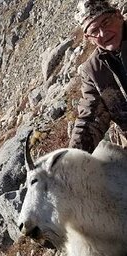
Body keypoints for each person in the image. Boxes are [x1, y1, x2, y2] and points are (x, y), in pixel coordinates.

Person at [69, 0, 127, 153]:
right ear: (89, 38)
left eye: (106, 22)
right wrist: (72, 158)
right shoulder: (93, 71)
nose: (103, 33)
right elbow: (91, 119)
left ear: (118, 15)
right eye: (94, 31)